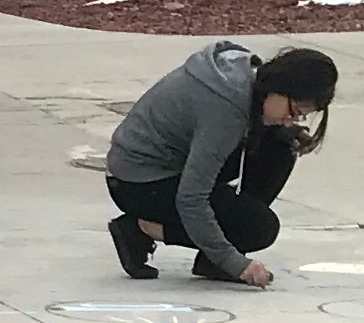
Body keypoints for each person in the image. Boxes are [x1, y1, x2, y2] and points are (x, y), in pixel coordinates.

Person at [101, 40, 335, 285]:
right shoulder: (223, 111)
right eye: (294, 111)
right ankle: (140, 229)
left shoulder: (242, 74)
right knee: (259, 229)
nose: (290, 120)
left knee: (279, 147)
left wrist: (279, 133)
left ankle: (213, 257)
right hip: (138, 184)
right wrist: (234, 263)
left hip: (167, 165)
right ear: (280, 86)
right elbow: (191, 198)